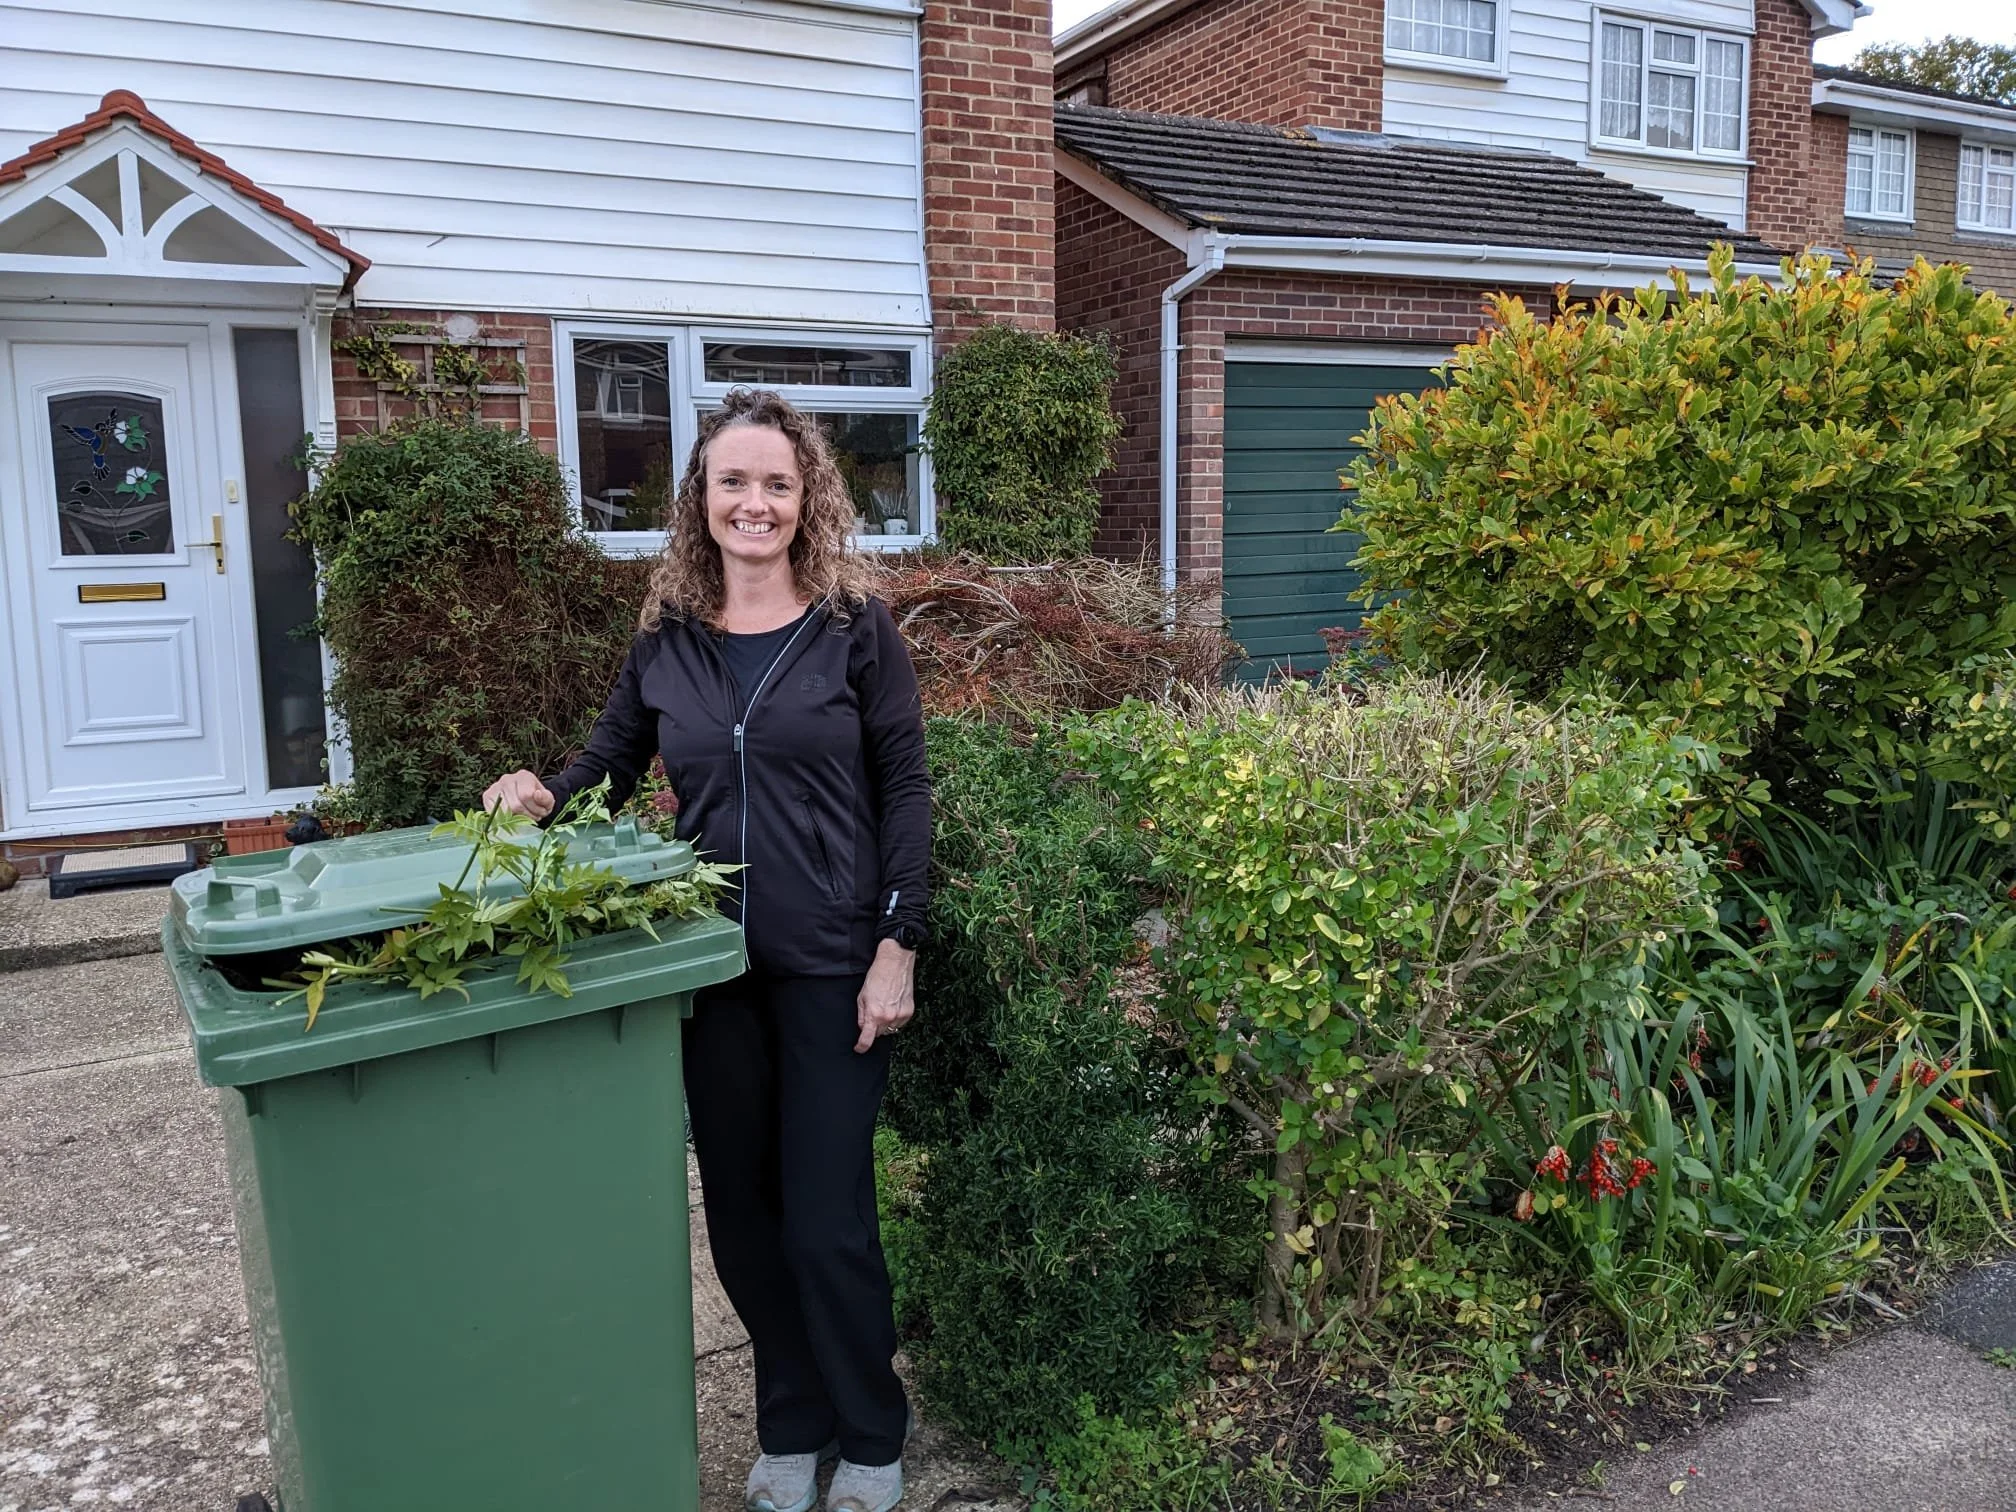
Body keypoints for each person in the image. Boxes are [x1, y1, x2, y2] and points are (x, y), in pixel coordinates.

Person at [484, 387, 929, 1512]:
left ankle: (872, 1436)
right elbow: (605, 769)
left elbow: (906, 790)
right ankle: (792, 1424)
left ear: (808, 497)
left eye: (777, 482)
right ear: (701, 498)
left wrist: (897, 943)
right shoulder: (668, 641)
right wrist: (541, 796)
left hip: (835, 963)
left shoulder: (851, 629)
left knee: (828, 1219)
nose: (756, 502)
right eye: (734, 481)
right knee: (741, 1216)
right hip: (711, 972)